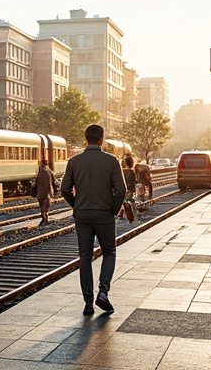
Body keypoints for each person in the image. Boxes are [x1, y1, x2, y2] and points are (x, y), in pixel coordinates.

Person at [61, 124, 128, 316]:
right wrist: (113, 210)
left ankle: (88, 303)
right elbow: (121, 190)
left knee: (85, 257)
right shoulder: (111, 161)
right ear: (101, 140)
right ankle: (103, 293)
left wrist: (76, 205)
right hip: (104, 214)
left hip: (82, 215)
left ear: (85, 139)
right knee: (109, 252)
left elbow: (64, 189)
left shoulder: (74, 162)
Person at [35, 158, 56, 225]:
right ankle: (45, 218)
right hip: (48, 190)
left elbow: (36, 180)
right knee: (46, 205)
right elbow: (53, 181)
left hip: (41, 191)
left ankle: (44, 217)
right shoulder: (49, 171)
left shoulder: (39, 170)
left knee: (42, 204)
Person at [118, 154, 137, 221]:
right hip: (130, 188)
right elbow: (134, 181)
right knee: (131, 201)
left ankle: (123, 214)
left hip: (124, 189)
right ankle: (133, 215)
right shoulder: (131, 171)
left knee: (124, 202)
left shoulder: (121, 171)